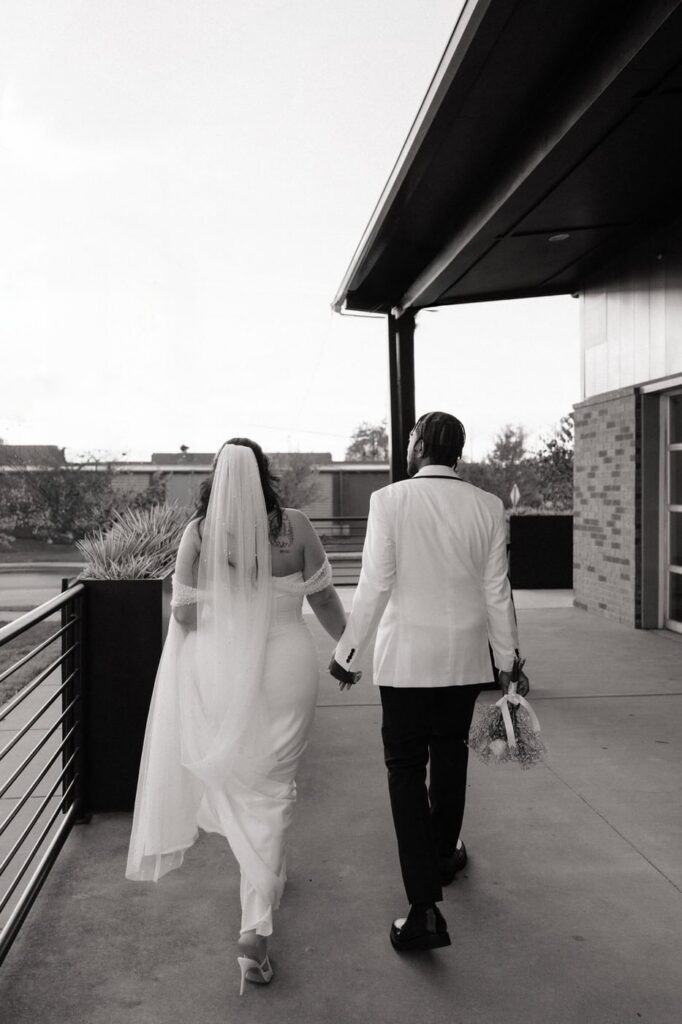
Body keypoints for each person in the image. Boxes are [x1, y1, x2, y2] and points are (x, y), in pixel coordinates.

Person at [126, 439, 351, 994]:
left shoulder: (199, 534)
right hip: (288, 662)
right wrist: (350, 648)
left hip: (224, 665)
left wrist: (230, 611)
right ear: (264, 476)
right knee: (274, 783)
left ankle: (262, 883)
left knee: (245, 781)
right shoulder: (294, 526)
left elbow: (181, 612)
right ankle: (255, 923)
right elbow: (323, 600)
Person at [329, 411, 529, 952]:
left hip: (407, 664)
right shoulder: (488, 506)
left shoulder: (389, 501)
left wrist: (348, 654)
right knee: (451, 755)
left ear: (418, 446)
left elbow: (374, 586)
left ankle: (423, 908)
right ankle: (443, 854)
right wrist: (509, 659)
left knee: (404, 771)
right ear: (458, 453)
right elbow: (497, 590)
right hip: (465, 662)